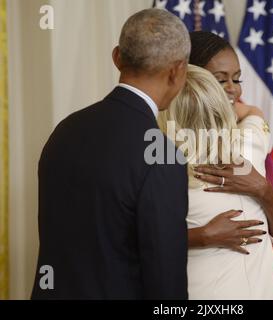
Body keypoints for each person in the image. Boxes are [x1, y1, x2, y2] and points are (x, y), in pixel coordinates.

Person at [31, 9, 191, 300]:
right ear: (177, 71)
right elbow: (166, 283)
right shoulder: (161, 154)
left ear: (117, 57)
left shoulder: (64, 131)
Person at [158, 64, 273, 299]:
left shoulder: (161, 176)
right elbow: (253, 113)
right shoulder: (250, 149)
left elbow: (137, 242)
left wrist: (201, 236)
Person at [187, 31, 273, 254]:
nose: (233, 89)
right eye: (220, 80)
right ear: (190, 81)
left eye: (237, 79)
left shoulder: (248, 139)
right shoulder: (164, 143)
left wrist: (262, 189)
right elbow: (137, 237)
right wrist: (204, 236)